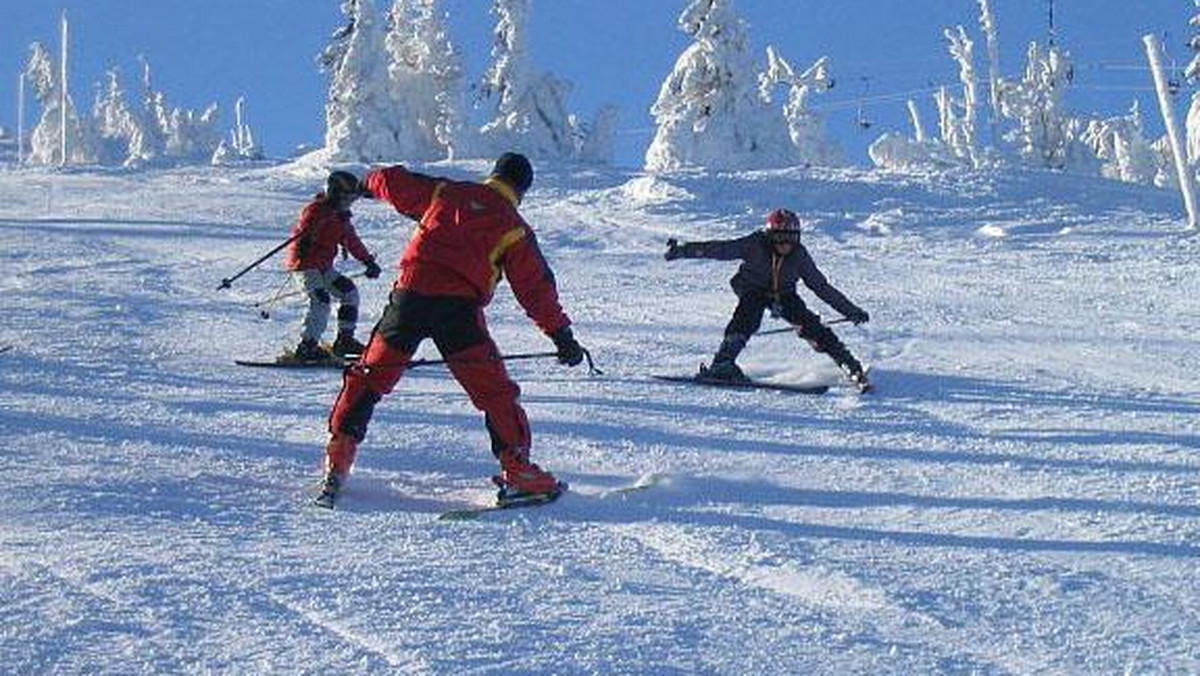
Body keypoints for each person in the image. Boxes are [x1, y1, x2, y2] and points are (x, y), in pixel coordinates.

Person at [316, 152, 587, 505]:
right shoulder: (513, 226)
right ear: (521, 191)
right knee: (494, 393)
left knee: (369, 376)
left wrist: (363, 186)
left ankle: (338, 457)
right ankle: (518, 470)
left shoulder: (446, 192)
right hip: (458, 313)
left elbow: (393, 181)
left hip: (408, 301)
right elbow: (535, 289)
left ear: (492, 174)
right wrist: (562, 337)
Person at [664, 208, 872, 391]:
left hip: (783, 294)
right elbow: (720, 249)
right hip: (751, 287)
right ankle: (723, 363)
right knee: (749, 312)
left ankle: (850, 366)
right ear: (770, 235)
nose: (785, 244)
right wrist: (683, 250)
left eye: (791, 238)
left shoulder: (799, 255)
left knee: (809, 324)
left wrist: (850, 310)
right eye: (780, 237)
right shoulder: (755, 244)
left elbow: (821, 287)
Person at [284, 170, 382, 360]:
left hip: (323, 267)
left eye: (352, 199)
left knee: (349, 293)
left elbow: (352, 241)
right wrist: (307, 237)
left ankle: (344, 341)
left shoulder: (341, 217)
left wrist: (368, 261)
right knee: (320, 301)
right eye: (346, 198)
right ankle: (307, 347)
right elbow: (305, 226)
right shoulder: (317, 209)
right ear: (334, 193)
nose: (349, 202)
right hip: (305, 265)